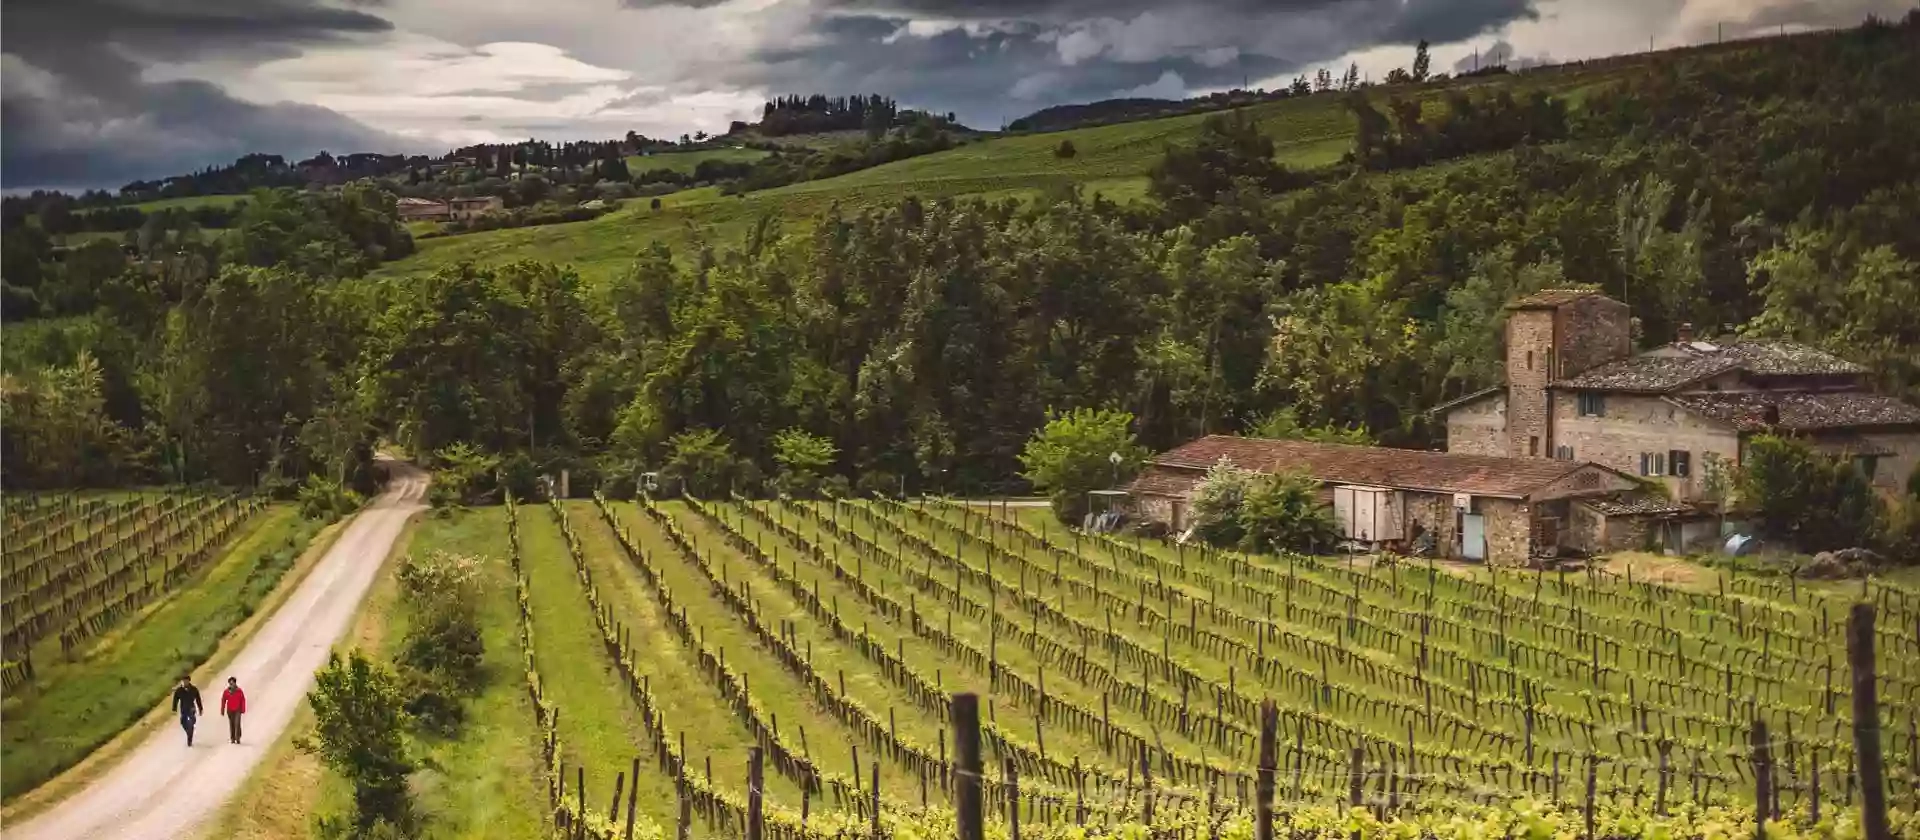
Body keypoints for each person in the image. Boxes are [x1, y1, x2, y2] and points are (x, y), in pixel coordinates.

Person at [171, 675, 203, 746]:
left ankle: (189, 738)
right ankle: (189, 732)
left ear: (189, 681)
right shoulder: (179, 690)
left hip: (191, 708)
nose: (185, 682)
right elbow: (175, 700)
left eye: (186, 681)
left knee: (191, 722)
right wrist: (174, 709)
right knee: (183, 722)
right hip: (183, 708)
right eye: (183, 681)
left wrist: (200, 708)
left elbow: (198, 699)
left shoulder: (194, 689)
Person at [220, 677, 247, 744]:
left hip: (238, 710)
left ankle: (237, 737)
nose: (231, 685)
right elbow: (223, 700)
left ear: (235, 683)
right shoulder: (226, 692)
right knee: (232, 724)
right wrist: (222, 710)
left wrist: (243, 709)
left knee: (237, 723)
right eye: (230, 683)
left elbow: (243, 699)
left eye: (232, 683)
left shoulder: (239, 691)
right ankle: (232, 738)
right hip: (230, 710)